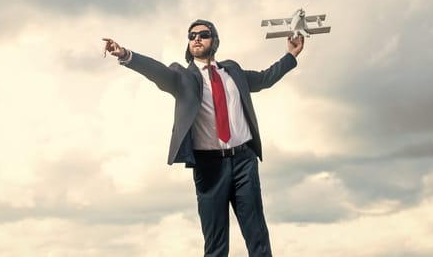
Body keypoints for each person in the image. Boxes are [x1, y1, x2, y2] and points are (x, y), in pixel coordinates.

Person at [103, 19, 304, 257]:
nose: (196, 38)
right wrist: (126, 55)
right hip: (209, 168)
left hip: (243, 161)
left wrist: (291, 56)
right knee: (216, 244)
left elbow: (264, 79)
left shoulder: (233, 71)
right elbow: (156, 70)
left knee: (258, 237)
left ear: (215, 41)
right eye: (191, 36)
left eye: (203, 34)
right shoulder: (181, 77)